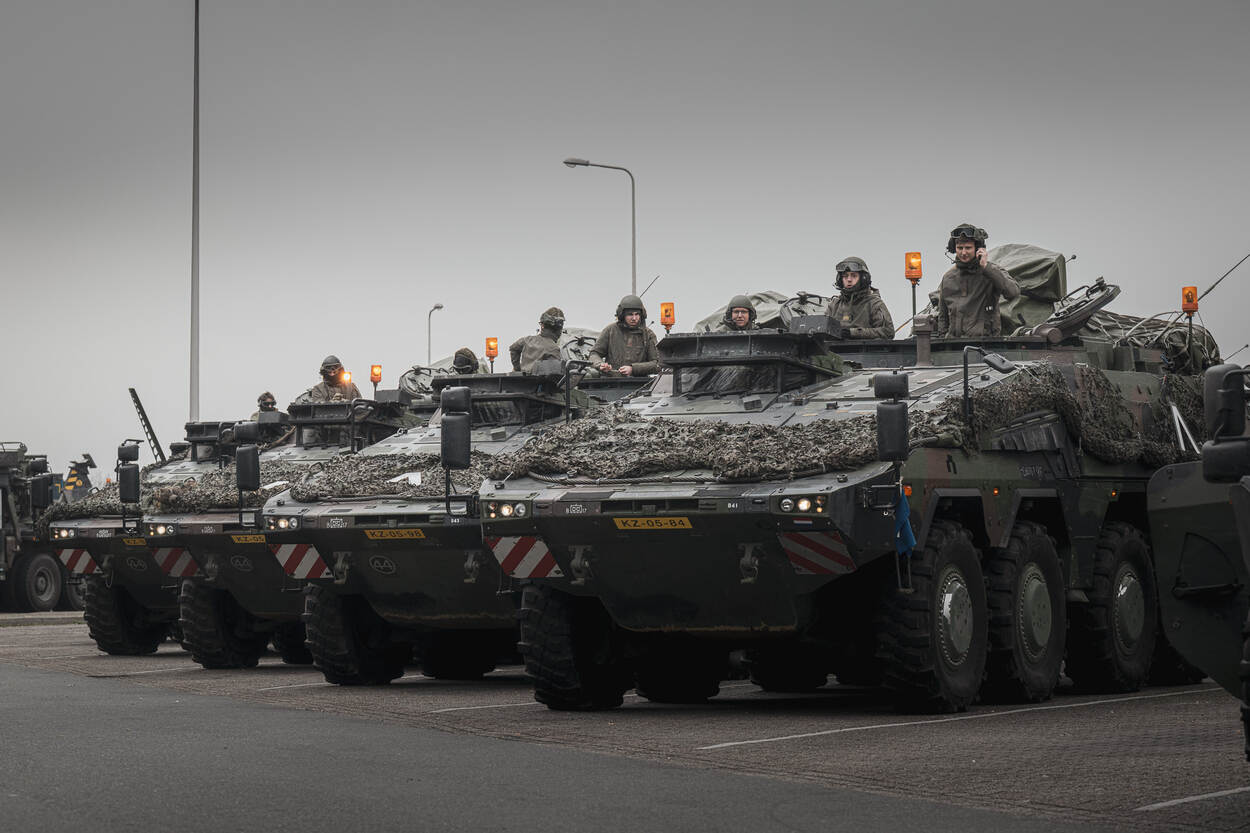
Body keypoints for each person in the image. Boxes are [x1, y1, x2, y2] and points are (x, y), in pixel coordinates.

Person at [935, 224, 1020, 338]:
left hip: (986, 345)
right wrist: (943, 341)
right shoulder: (948, 278)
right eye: (960, 248)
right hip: (955, 346)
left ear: (978, 248)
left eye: (968, 248)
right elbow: (943, 316)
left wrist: (986, 267)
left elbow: (1013, 292)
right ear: (954, 248)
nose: (963, 253)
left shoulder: (991, 272)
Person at [824, 258, 895, 340]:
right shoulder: (834, 305)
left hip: (866, 351)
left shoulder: (874, 303)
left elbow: (888, 332)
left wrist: (853, 333)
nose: (849, 280)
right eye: (845, 276)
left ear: (863, 278)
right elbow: (823, 329)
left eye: (854, 276)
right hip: (835, 351)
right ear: (840, 279)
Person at [590, 294, 659, 377]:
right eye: (630, 314)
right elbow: (594, 354)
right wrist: (600, 365)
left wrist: (633, 369)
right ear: (622, 315)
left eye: (637, 314)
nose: (634, 318)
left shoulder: (648, 334)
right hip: (611, 382)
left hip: (639, 384)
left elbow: (657, 364)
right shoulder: (611, 330)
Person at [510, 307, 565, 373]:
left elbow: (513, 348)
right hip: (541, 382)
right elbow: (555, 374)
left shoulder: (527, 340)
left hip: (522, 381)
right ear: (560, 329)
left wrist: (517, 369)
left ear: (542, 325)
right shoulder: (553, 349)